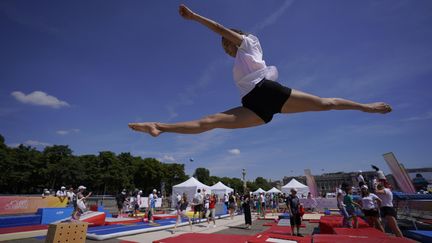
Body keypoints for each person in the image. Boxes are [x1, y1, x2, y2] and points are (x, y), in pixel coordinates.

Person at [128, 4, 391, 138]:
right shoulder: (237, 65)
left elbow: (220, 28)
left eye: (228, 42)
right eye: (225, 46)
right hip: (256, 106)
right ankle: (158, 126)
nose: (227, 46)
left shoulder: (250, 42)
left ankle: (366, 107)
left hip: (267, 90)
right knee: (211, 122)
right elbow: (224, 38)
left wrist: (195, 17)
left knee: (325, 103)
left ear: (237, 37)